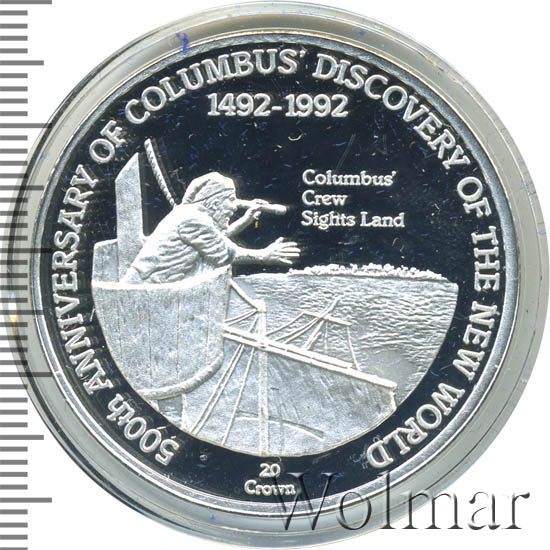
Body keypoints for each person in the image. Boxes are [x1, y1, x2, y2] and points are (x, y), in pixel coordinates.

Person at [122, 172, 300, 284]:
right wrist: (264, 255)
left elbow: (216, 238)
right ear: (214, 203)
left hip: (152, 286)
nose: (234, 208)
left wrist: (247, 219)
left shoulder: (188, 214)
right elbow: (226, 253)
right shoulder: (193, 219)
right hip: (143, 289)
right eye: (231, 201)